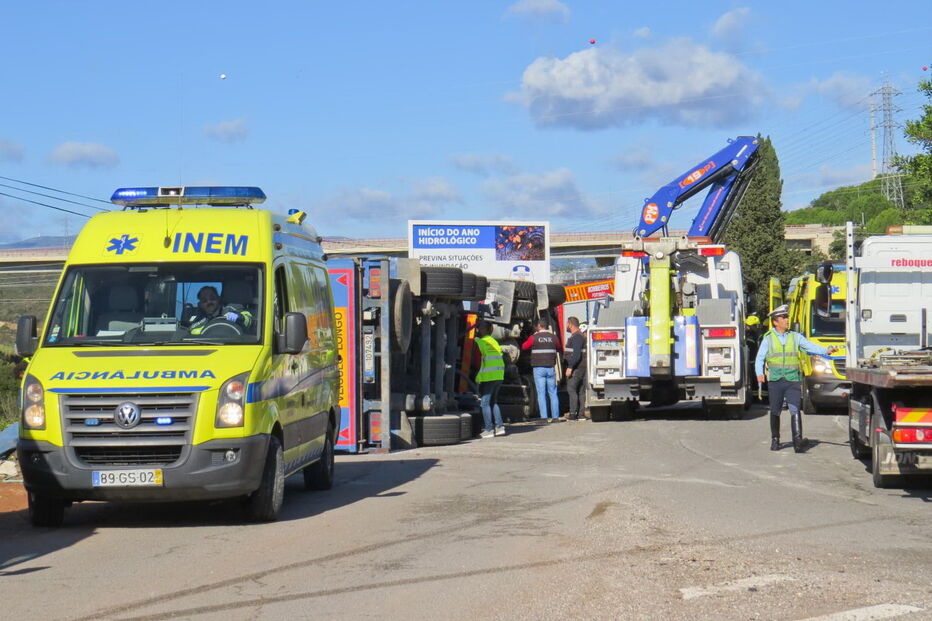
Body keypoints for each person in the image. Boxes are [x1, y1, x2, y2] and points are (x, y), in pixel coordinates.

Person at [755, 304, 837, 452]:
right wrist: (759, 374)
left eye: (787, 317)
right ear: (775, 322)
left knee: (794, 409)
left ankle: (797, 441)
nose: (787, 320)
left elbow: (810, 347)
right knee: (775, 410)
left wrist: (826, 350)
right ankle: (775, 439)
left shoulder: (795, 336)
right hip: (775, 380)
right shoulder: (768, 338)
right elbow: (760, 358)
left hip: (792, 379)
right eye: (783, 317)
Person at [521, 316, 563, 422]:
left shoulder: (534, 337)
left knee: (541, 393)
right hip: (550, 368)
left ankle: (544, 417)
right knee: (553, 393)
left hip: (539, 369)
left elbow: (524, 346)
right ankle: (555, 417)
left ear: (539, 326)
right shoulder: (553, 337)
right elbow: (559, 348)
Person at [474, 322, 506, 438]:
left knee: (484, 403)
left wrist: (478, 377)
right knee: (494, 402)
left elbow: (478, 361)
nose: (478, 329)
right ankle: (499, 427)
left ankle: (488, 429)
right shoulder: (494, 342)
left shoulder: (480, 342)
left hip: (489, 376)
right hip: (499, 375)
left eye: (479, 327)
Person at [182, 285, 253, 335]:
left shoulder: (232, 309)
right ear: (200, 304)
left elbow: (250, 321)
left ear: (219, 298)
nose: (209, 302)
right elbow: (187, 336)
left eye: (212, 298)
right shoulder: (197, 321)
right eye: (204, 301)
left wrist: (240, 318)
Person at [564, 316, 587, 421]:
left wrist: (570, 367)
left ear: (570, 324)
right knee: (581, 391)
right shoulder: (580, 336)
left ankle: (573, 414)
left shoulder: (577, 337)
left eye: (566, 324)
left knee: (571, 389)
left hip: (577, 368)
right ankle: (581, 414)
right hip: (581, 367)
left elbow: (576, 354)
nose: (566, 326)